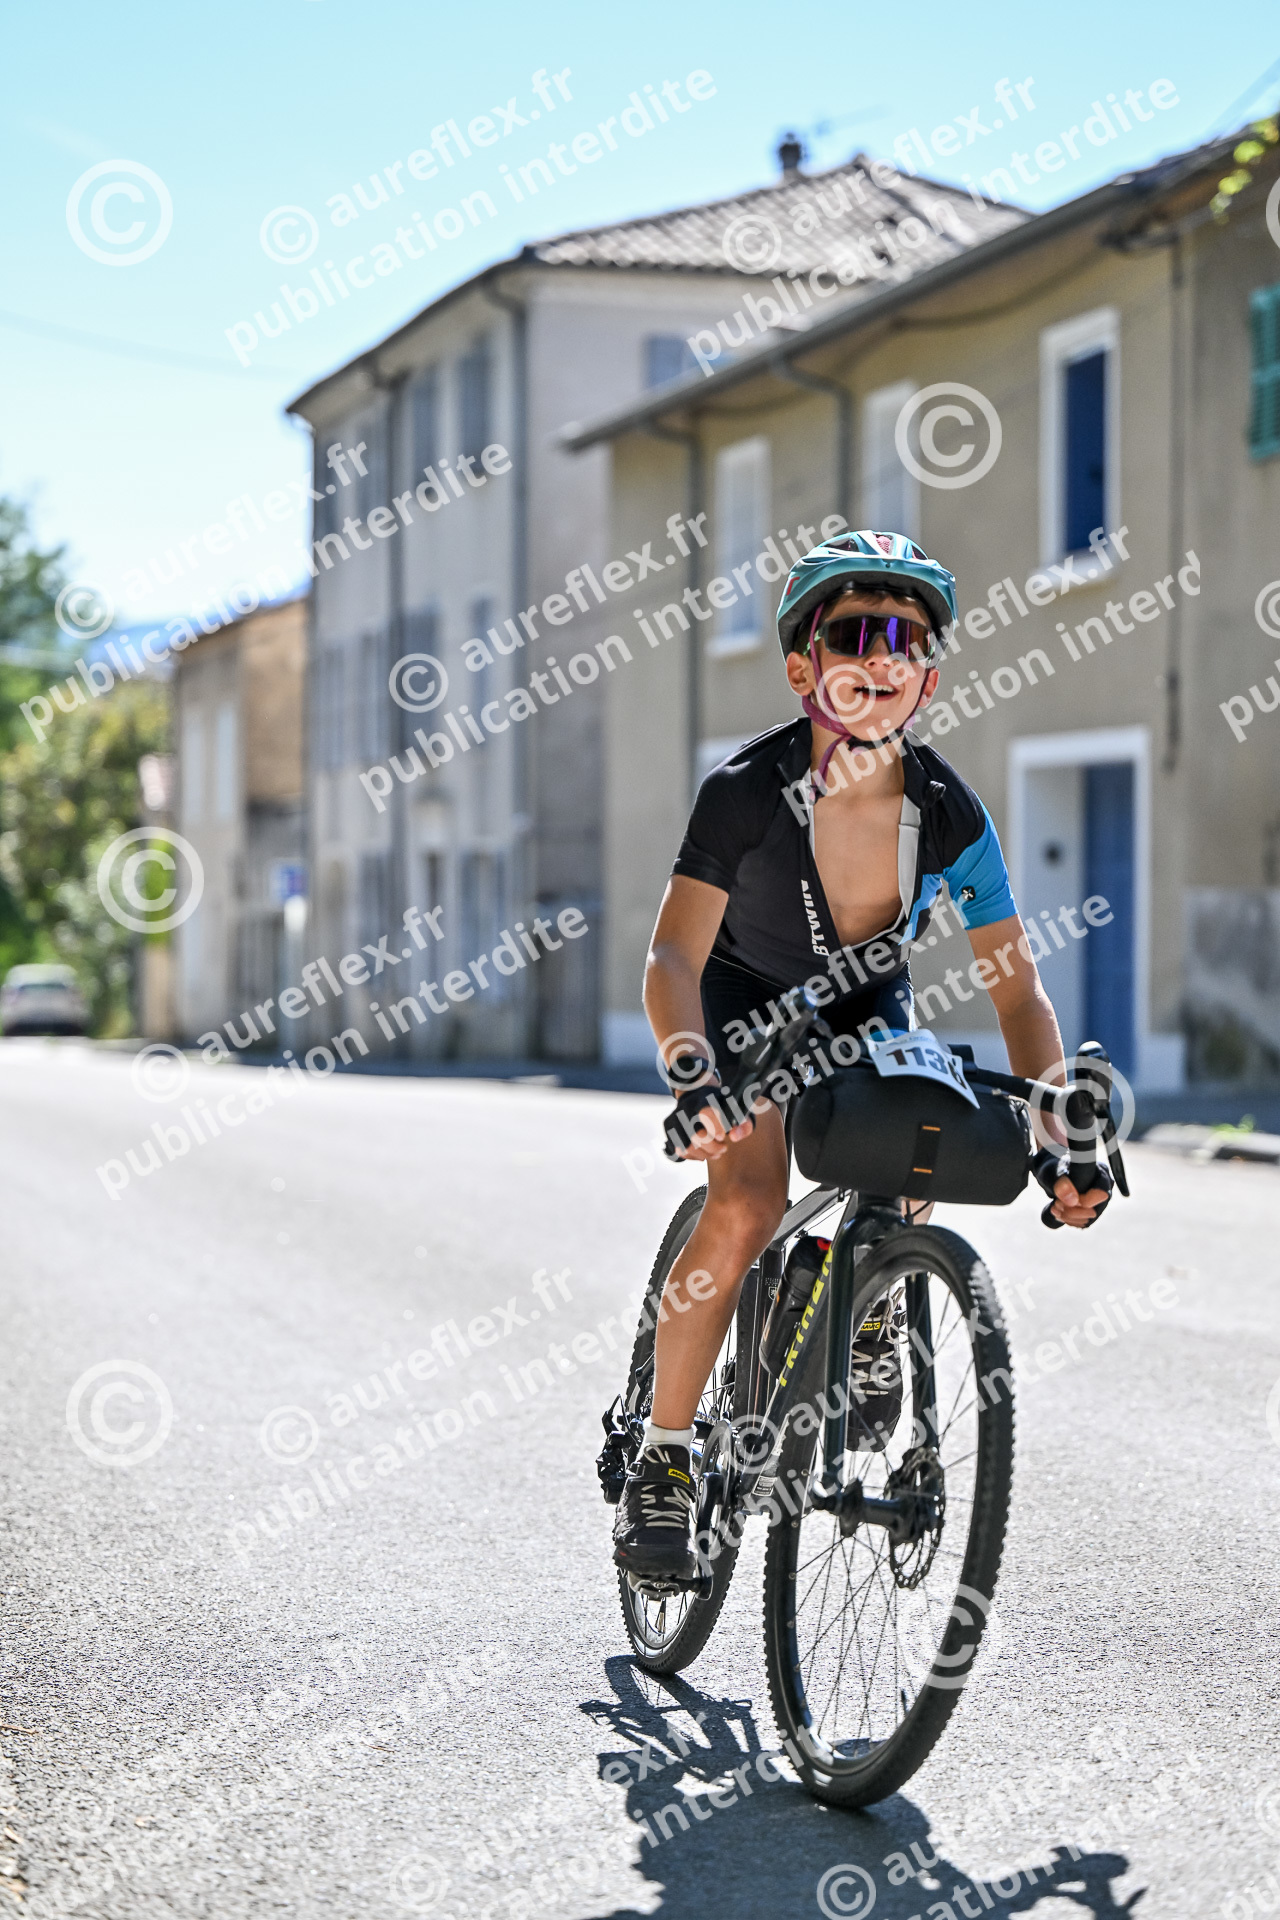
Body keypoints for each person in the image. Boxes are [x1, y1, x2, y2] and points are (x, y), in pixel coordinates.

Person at [612, 530, 1113, 1582]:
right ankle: (664, 1458)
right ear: (804, 668)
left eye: (908, 640)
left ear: (929, 677)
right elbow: (671, 957)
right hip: (740, 995)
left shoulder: (947, 814)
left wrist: (1060, 1130)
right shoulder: (745, 790)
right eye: (854, 633)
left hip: (858, 999)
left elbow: (1015, 991)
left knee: (923, 1126)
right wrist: (695, 1076)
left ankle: (872, 1292)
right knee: (748, 1202)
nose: (882, 657)